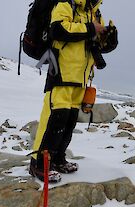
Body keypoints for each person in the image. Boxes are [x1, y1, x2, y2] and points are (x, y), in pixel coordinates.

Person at [29, 0, 118, 183]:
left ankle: (58, 158)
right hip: (61, 72)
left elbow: (97, 45)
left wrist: (109, 39)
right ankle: (39, 164)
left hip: (81, 77)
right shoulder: (65, 3)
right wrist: (91, 28)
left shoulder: (95, 12)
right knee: (54, 118)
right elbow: (58, 29)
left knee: (69, 120)